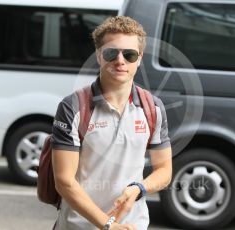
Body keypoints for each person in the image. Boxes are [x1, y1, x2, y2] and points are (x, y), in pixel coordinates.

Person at [51, 16, 172, 230]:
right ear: (99, 56)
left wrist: (138, 188)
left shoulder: (153, 108)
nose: (120, 60)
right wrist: (108, 224)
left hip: (132, 225)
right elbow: (64, 181)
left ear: (140, 58)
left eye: (129, 54)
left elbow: (164, 170)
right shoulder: (73, 107)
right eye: (110, 53)